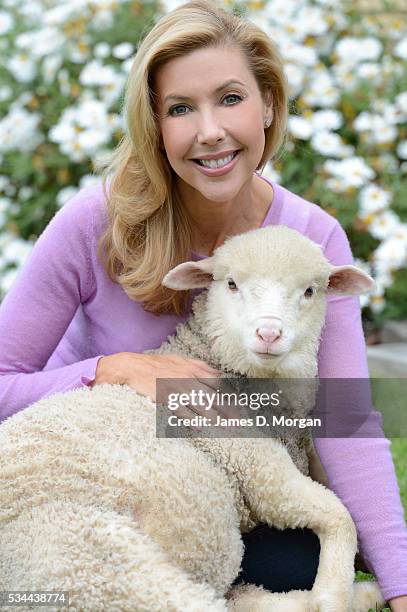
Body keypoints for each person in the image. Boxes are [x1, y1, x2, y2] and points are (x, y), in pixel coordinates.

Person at [0, 0, 406, 608]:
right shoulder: (95, 224)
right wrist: (110, 370)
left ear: (269, 102)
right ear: (155, 126)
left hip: (215, 489)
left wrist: (400, 587)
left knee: (294, 555)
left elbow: (342, 420)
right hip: (97, 466)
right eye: (181, 109)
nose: (209, 130)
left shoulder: (308, 241)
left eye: (231, 98)